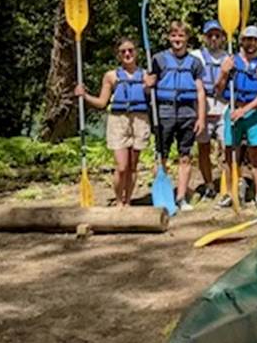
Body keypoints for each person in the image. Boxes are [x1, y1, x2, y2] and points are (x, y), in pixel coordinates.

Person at [75, 37, 151, 207]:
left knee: (132, 166)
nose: (127, 54)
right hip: (118, 121)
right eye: (123, 51)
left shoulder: (145, 74)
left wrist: (150, 86)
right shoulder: (111, 76)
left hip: (139, 120)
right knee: (122, 166)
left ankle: (128, 200)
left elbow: (148, 93)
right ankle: (118, 201)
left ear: (136, 52)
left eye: (130, 50)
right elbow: (102, 103)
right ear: (118, 55)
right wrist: (84, 96)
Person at [146, 21, 206, 210]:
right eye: (174, 35)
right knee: (161, 156)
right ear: (168, 37)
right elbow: (149, 88)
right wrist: (147, 85)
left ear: (187, 38)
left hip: (187, 113)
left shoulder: (195, 63)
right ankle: (162, 196)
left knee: (185, 156)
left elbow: (200, 92)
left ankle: (181, 198)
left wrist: (201, 117)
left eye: (181, 36)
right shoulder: (158, 60)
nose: (177, 39)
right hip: (164, 112)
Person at [216, 25, 257, 209]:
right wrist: (224, 72)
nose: (251, 44)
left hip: (252, 113)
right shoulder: (230, 60)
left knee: (255, 155)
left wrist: (246, 110)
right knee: (229, 154)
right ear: (242, 41)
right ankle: (229, 192)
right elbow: (218, 89)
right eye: (247, 39)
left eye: (254, 40)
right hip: (232, 110)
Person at [192, 21, 228, 195]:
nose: (214, 38)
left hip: (223, 106)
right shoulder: (196, 56)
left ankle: (227, 184)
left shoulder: (228, 57)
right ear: (205, 37)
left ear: (222, 37)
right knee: (203, 148)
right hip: (203, 106)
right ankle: (209, 185)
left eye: (217, 35)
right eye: (210, 35)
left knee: (228, 146)